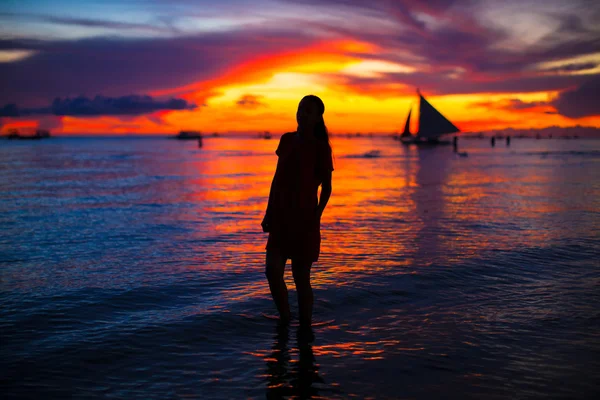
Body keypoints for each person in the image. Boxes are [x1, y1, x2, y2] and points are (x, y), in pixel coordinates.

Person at [261, 95, 334, 329]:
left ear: (317, 117)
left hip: (305, 220)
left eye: (308, 111)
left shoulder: (321, 148)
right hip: (281, 217)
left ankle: (305, 327)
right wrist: (268, 212)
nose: (302, 114)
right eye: (300, 109)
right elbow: (277, 179)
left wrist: (318, 214)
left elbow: (327, 186)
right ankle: (285, 318)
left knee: (301, 279)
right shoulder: (287, 140)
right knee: (272, 271)